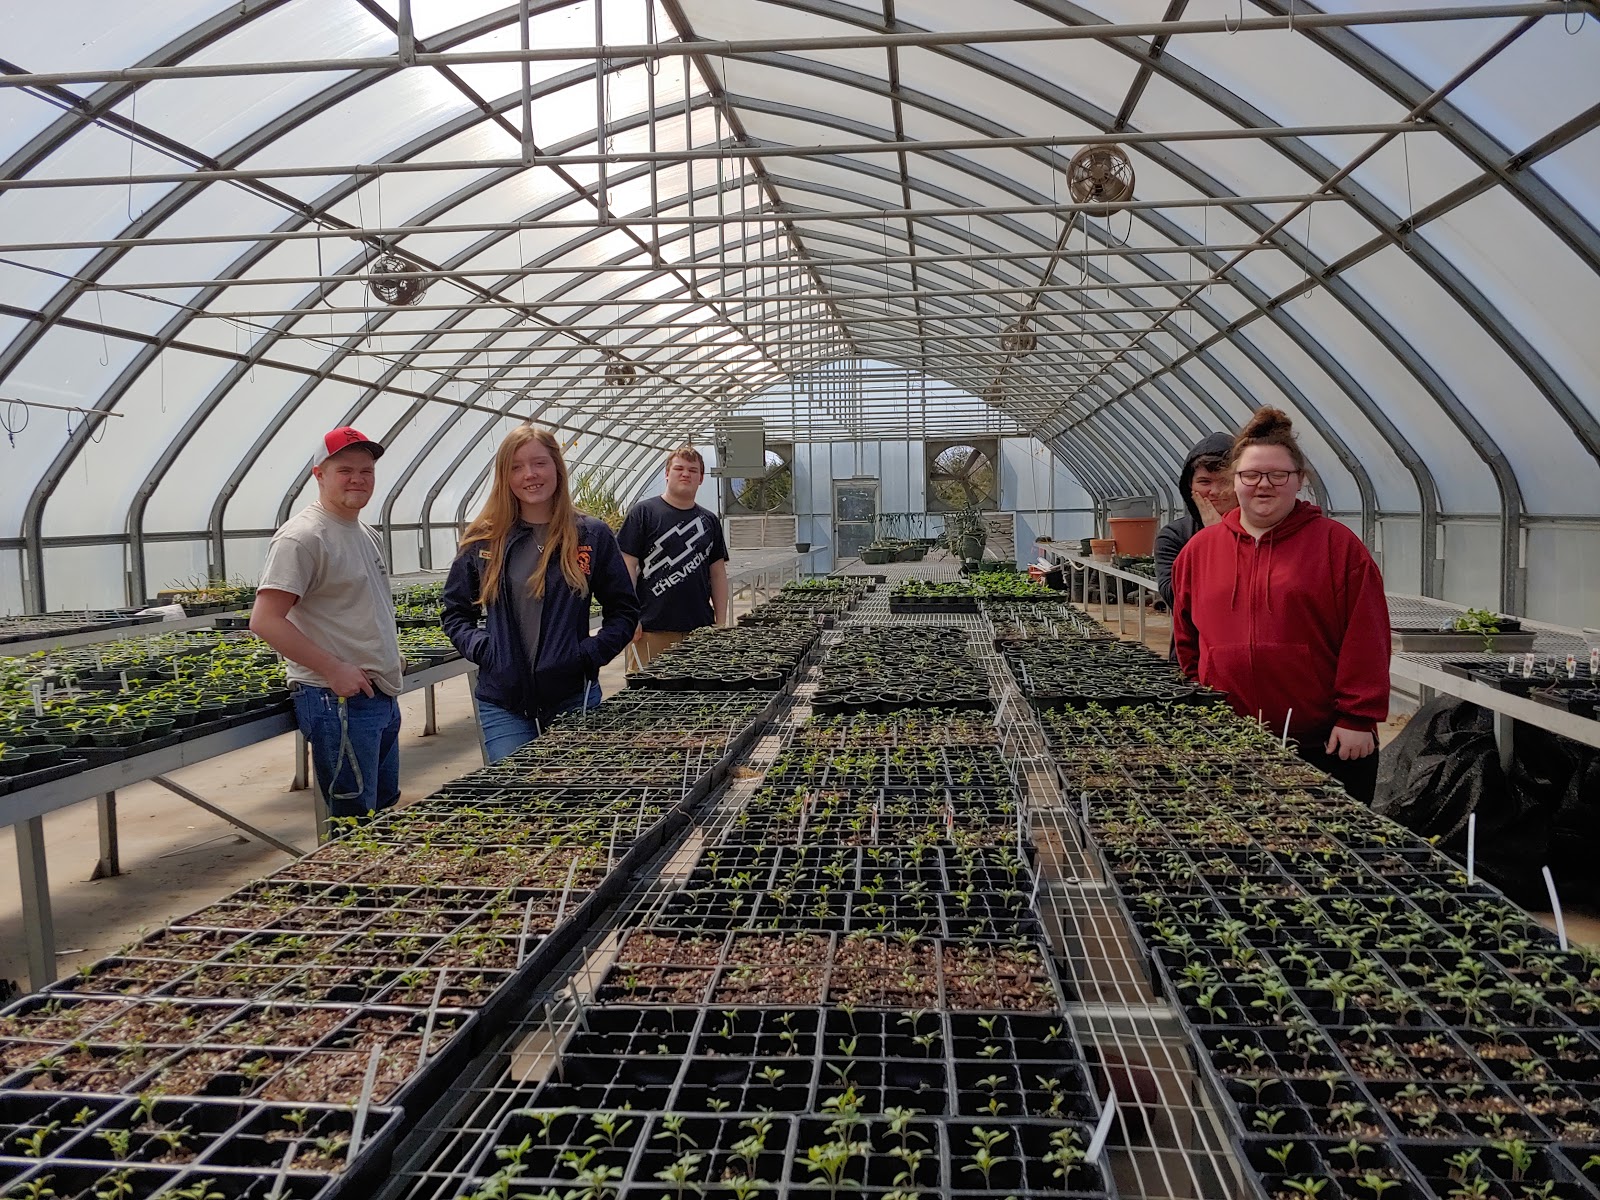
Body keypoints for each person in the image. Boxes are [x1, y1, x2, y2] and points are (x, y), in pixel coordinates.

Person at [1172, 407, 1391, 803]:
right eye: (1251, 475)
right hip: (1228, 741)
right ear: (1234, 481)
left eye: (1278, 475)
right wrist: (1197, 698)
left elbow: (1368, 636)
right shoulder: (1199, 551)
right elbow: (1185, 636)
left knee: (1329, 855)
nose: (1264, 485)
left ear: (1299, 480)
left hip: (1325, 743)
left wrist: (1357, 717)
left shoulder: (1337, 547)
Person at [441, 425, 639, 763]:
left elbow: (623, 610)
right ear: (504, 476)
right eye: (516, 467)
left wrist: (588, 655)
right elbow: (455, 612)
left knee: (573, 794)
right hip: (503, 699)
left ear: (556, 467)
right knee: (515, 795)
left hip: (573, 694)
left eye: (539, 463)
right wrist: (485, 650)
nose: (529, 475)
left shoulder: (590, 535)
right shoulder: (484, 539)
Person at [252, 427, 405, 821]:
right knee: (353, 819)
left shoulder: (363, 533)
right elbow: (266, 620)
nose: (358, 479)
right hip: (337, 700)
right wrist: (334, 669)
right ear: (319, 474)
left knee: (380, 808)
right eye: (345, 471)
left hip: (377, 694)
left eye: (367, 471)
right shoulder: (304, 538)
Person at [617, 445, 730, 669]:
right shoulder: (644, 513)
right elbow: (626, 567)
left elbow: (717, 573)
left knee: (700, 696)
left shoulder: (709, 521)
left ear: (701, 478)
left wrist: (721, 622)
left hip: (699, 630)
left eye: (693, 470)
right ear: (667, 474)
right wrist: (629, 617)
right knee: (648, 696)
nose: (685, 474)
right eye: (679, 468)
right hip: (650, 630)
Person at [1154, 433, 1238, 615]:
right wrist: (1213, 537)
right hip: (1195, 642)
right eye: (1204, 482)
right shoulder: (1174, 535)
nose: (1214, 491)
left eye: (1225, 481)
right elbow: (1175, 599)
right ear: (1189, 486)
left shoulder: (1261, 531)